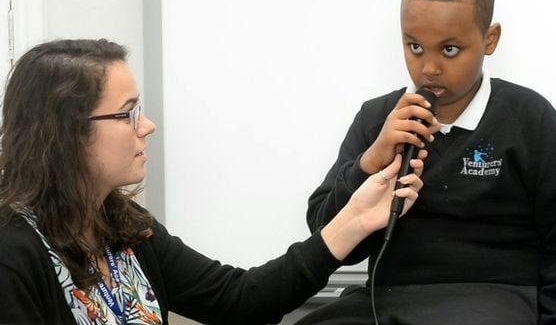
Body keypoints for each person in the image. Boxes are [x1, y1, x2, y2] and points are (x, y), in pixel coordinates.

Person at [0, 39, 428, 325]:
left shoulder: (123, 227)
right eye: (127, 113)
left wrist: (353, 220)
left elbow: (241, 300)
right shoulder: (15, 253)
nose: (146, 126)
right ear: (66, 132)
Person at [300, 0, 556, 325]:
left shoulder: (530, 119)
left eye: (448, 50)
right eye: (414, 47)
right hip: (386, 301)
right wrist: (368, 164)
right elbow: (326, 236)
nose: (428, 68)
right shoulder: (378, 119)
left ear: (489, 40)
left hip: (496, 298)